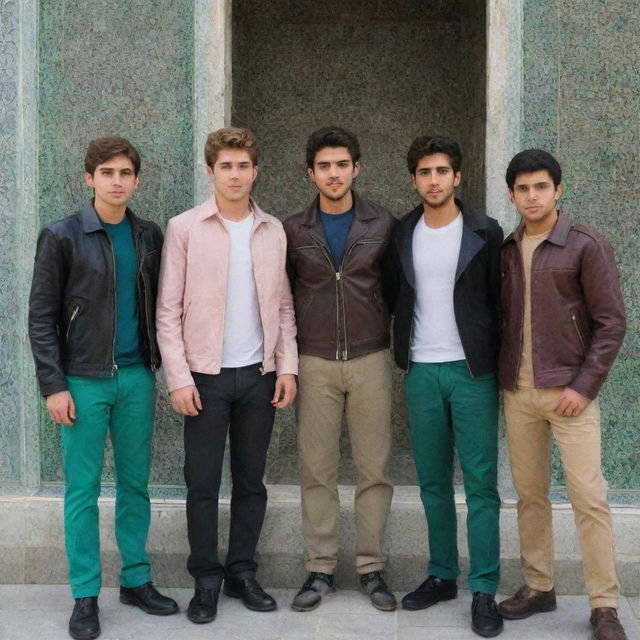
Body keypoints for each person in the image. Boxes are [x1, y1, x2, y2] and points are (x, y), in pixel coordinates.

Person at [28, 136, 178, 640]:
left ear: (137, 180)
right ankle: (85, 594)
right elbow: (42, 317)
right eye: (107, 173)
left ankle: (135, 579)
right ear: (89, 178)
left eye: (126, 173)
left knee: (136, 486)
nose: (117, 181)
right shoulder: (62, 236)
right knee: (83, 492)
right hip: (83, 381)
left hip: (137, 378)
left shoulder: (149, 235)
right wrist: (54, 385)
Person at [156, 127, 297, 624]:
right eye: (226, 166)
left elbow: (283, 306)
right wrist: (178, 378)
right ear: (210, 170)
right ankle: (206, 579)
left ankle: (241, 571)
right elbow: (167, 309)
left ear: (255, 171)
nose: (235, 175)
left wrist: (287, 366)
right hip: (205, 377)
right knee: (201, 482)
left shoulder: (273, 229)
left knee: (251, 481)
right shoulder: (185, 228)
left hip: (259, 375)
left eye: (243, 166)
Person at [498, 149, 627, 640]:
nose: (532, 196)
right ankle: (538, 585)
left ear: (557, 190)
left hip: (570, 395)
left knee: (588, 498)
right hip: (520, 393)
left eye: (541, 187)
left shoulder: (586, 244)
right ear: (511, 195)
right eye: (523, 189)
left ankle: (604, 604)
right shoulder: (509, 249)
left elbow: (611, 322)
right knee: (530, 497)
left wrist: (583, 386)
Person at [386, 135, 503, 637]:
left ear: (457, 177)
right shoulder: (401, 232)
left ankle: (483, 589)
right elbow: (394, 294)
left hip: (472, 371)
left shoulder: (485, 232)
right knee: (432, 482)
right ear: (413, 180)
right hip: (421, 370)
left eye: (442, 172)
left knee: (480, 486)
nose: (433, 180)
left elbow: (501, 299)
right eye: (424, 172)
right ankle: (441, 574)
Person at [284, 126, 397, 612]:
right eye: (324, 165)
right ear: (311, 172)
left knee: (374, 470)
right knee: (317, 470)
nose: (334, 173)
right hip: (314, 361)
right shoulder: (292, 229)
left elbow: (396, 289)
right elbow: (284, 297)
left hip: (371, 358)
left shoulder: (383, 224)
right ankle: (320, 568)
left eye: (342, 164)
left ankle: (372, 568)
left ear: (357, 168)